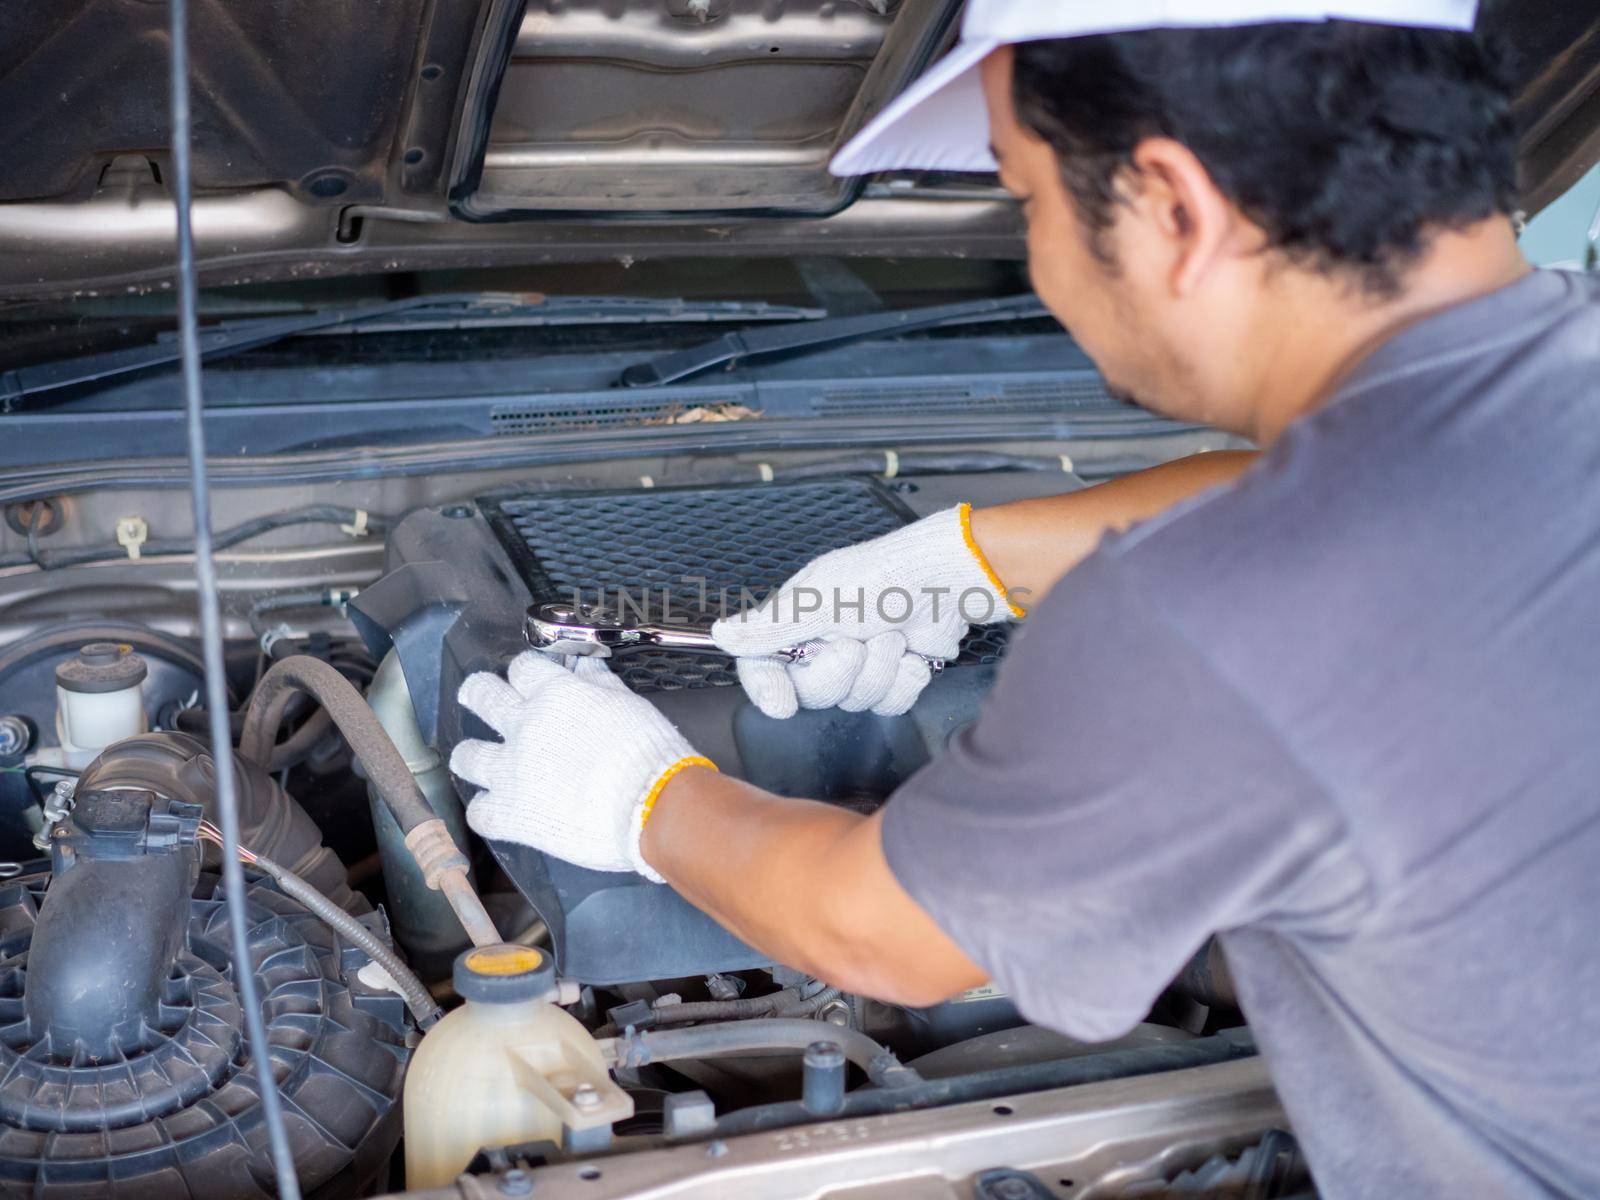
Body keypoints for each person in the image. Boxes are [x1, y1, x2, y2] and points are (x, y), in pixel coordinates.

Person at [448, 3, 1600, 1196]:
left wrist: (646, 797)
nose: (1036, 258)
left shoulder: (1220, 616)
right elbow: (1374, 469)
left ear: (1172, 205)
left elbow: (877, 934)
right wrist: (968, 557)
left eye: (1025, 201)